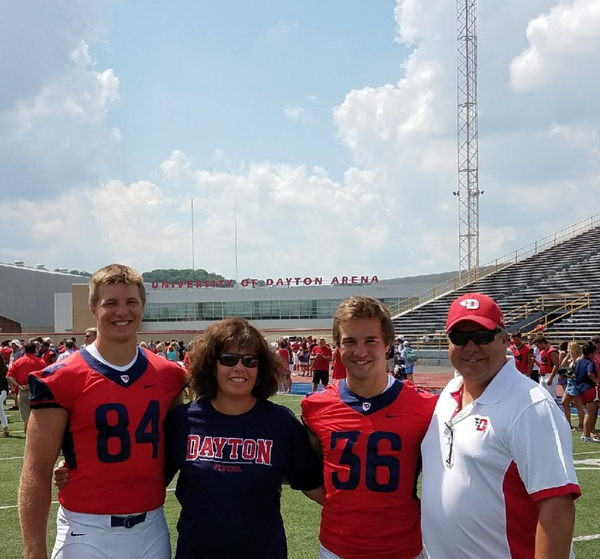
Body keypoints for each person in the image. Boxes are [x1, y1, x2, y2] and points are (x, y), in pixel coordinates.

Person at [19, 264, 186, 559]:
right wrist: (34, 552)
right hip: (85, 531)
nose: (122, 311)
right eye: (111, 303)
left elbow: (174, 449)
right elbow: (36, 469)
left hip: (152, 529)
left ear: (142, 307)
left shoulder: (170, 375)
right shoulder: (61, 377)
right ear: (94, 308)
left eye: (131, 302)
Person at [421, 292, 580, 559]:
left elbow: (557, 507)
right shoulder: (450, 391)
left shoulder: (531, 405)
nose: (471, 347)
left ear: (504, 338)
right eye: (459, 338)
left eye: (482, 336)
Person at [164, 317, 323, 558]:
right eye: (229, 359)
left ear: (260, 369)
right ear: (211, 365)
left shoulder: (281, 423)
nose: (240, 368)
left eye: (250, 360)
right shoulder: (182, 421)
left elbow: (316, 487)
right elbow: (150, 486)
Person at [302, 296, 437, 559]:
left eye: (370, 341)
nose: (360, 351)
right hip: (337, 548)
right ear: (337, 347)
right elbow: (311, 473)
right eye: (350, 341)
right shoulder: (315, 408)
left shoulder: (425, 406)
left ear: (387, 345)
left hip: (404, 549)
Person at [6, 341, 45, 434]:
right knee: (37, 418)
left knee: (26, 419)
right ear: (35, 349)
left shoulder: (19, 362)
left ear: (24, 349)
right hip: (37, 391)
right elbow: (46, 376)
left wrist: (18, 386)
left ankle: (28, 439)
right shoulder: (41, 362)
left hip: (23, 391)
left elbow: (8, 376)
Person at [575, 341, 600, 443]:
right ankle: (586, 434)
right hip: (589, 388)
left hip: (580, 389)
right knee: (590, 413)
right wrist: (597, 381)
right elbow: (590, 373)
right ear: (591, 353)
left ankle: (586, 434)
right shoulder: (590, 362)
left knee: (588, 412)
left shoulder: (579, 361)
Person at [560, 341, 585, 432]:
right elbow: (562, 365)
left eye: (569, 349)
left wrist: (570, 375)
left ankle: (581, 425)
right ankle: (568, 423)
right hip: (570, 383)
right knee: (564, 402)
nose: (567, 350)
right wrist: (567, 357)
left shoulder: (579, 360)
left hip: (576, 384)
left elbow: (580, 374)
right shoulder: (571, 359)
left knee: (578, 405)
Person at [0, 354, 9, 436]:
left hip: (3, 391)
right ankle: (5, 429)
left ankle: (6, 429)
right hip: (2, 390)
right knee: (0, 409)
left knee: (0, 409)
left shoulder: (5, 368)